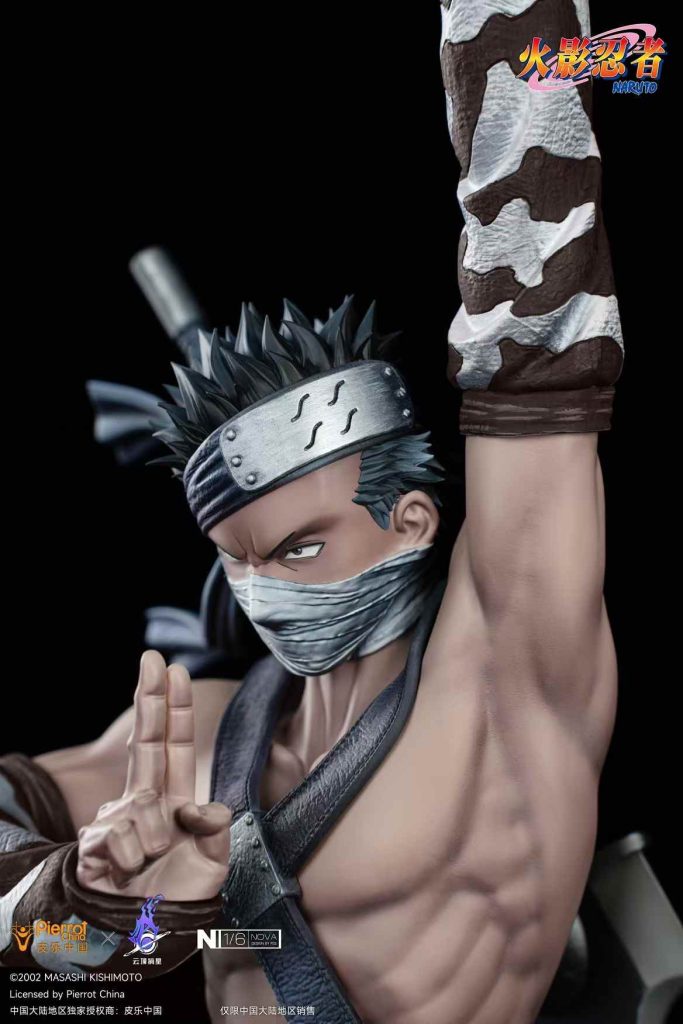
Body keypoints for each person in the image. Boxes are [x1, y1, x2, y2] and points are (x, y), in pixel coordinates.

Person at [0, 1, 625, 1021]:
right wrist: (94, 901)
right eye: (237, 558)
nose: (262, 593)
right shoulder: (200, 737)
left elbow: (537, 326)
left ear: (411, 521)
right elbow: (47, 960)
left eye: (297, 549)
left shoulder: (503, 677)